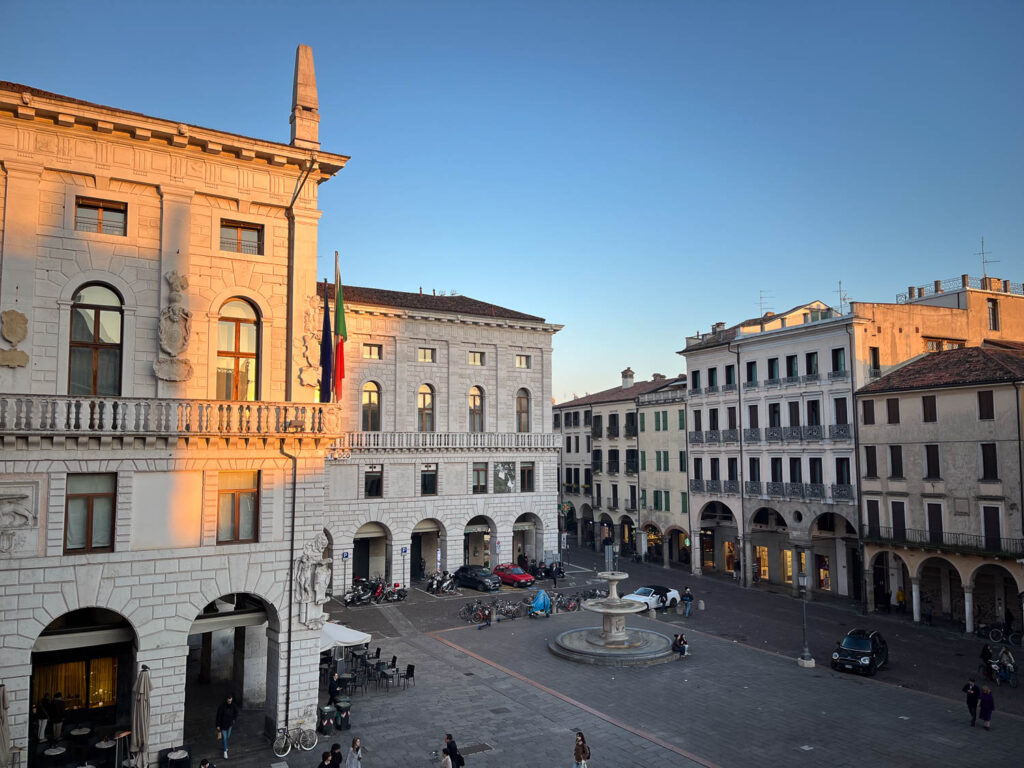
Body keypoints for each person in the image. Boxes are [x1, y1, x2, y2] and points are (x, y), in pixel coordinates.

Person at [215, 693, 239, 759]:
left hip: (230, 724)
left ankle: (224, 746)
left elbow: (236, 712)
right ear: (226, 700)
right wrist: (218, 725)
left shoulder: (233, 705)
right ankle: (225, 751)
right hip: (223, 725)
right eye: (228, 701)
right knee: (225, 737)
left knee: (227, 737)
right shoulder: (221, 706)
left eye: (230, 701)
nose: (229, 702)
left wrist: (234, 719)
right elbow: (218, 716)